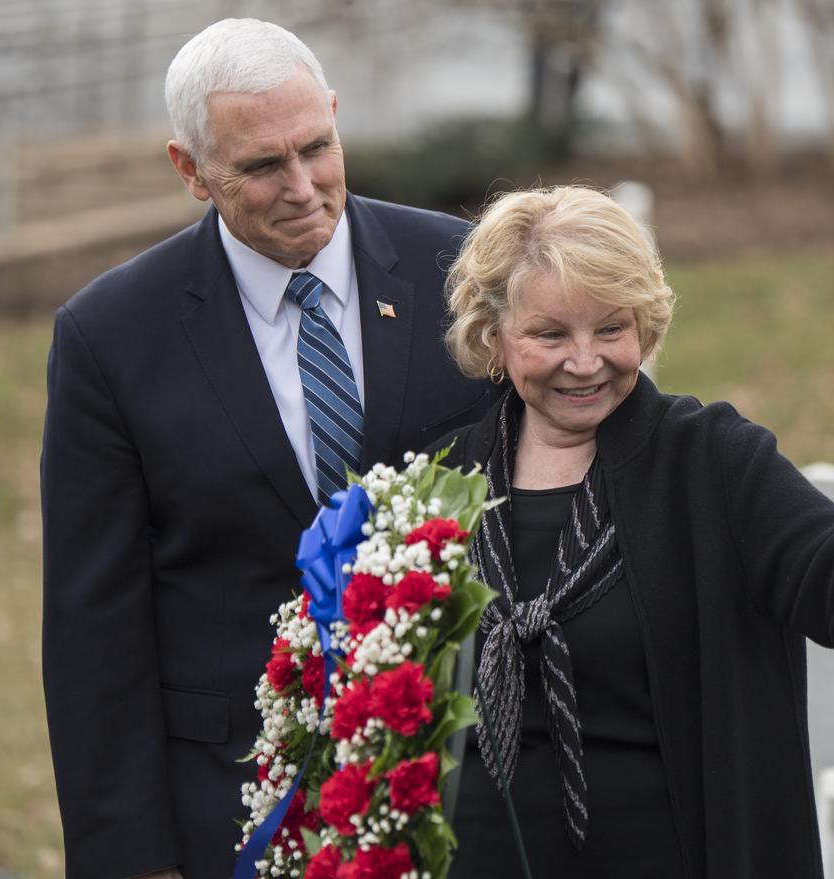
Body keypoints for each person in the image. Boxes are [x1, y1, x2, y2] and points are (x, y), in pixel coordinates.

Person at [40, 19, 496, 879]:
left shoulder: (462, 272)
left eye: (316, 147)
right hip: (227, 806)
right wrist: (131, 858)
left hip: (454, 789)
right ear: (190, 170)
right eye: (260, 166)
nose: (302, 186)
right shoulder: (110, 338)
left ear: (332, 115)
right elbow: (91, 627)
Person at [432, 186, 834, 877]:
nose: (585, 361)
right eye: (551, 334)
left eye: (611, 328)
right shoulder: (441, 481)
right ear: (494, 335)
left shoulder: (709, 462)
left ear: (646, 323)